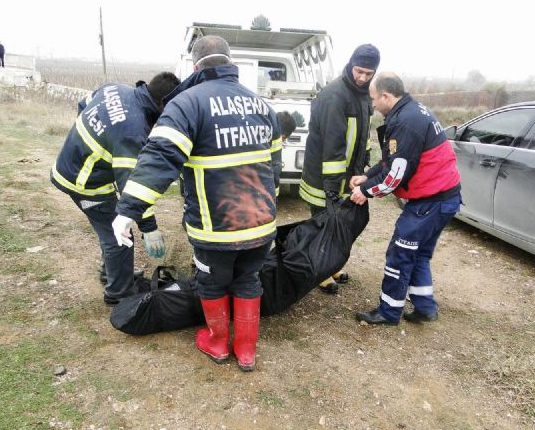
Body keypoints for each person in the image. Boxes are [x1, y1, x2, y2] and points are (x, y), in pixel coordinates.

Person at [112, 35, 282, 371]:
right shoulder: (262, 105)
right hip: (261, 223)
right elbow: (274, 168)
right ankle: (246, 351)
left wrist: (127, 210)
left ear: (195, 66)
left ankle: (218, 343)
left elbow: (160, 157)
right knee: (250, 279)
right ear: (230, 61)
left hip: (215, 227)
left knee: (212, 282)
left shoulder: (187, 104)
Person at [50, 72, 180, 306]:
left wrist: (97, 140)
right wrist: (149, 228)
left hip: (73, 164)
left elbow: (84, 104)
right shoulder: (132, 130)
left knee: (112, 226)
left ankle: (111, 273)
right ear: (163, 104)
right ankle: (119, 293)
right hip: (84, 183)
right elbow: (132, 188)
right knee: (120, 235)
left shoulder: (115, 89)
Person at [350, 72, 461, 325]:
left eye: (374, 98)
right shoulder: (411, 111)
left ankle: (388, 312)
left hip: (430, 203)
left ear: (387, 96)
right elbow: (392, 160)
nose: (373, 105)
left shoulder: (406, 122)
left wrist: (364, 192)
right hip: (444, 198)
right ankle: (424, 308)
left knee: (400, 253)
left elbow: (394, 176)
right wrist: (366, 176)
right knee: (418, 254)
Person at [299, 43, 380, 294]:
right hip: (324, 177)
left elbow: (362, 136)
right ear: (350, 64)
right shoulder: (336, 95)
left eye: (369, 73)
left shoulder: (363, 94)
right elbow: (333, 147)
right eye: (359, 71)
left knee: (338, 225)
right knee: (322, 224)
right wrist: (333, 188)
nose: (363, 77)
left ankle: (331, 265)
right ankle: (319, 272)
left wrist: (362, 165)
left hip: (346, 177)